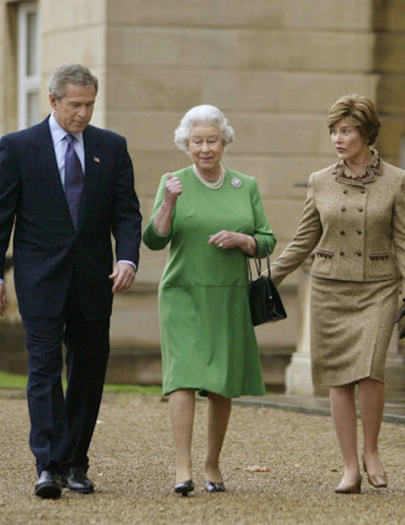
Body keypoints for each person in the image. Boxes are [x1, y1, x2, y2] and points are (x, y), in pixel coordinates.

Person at [0, 63, 142, 499]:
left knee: (88, 372)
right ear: (52, 101)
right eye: (75, 105)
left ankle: (75, 463)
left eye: (90, 104)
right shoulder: (18, 147)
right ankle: (47, 465)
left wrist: (128, 257)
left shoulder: (111, 147)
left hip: (95, 280)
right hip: (40, 280)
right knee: (46, 370)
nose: (84, 113)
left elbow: (126, 212)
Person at [269, 94, 405, 494]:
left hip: (378, 287)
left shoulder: (397, 180)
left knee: (370, 371)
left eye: (346, 131)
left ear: (366, 134)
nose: (338, 138)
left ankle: (372, 451)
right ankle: (350, 467)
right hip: (329, 288)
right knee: (338, 378)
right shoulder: (320, 181)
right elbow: (304, 238)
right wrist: (270, 277)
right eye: (334, 131)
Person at [143, 105, 275, 496]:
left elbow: (267, 240)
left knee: (221, 383)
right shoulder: (173, 182)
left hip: (228, 297)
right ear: (186, 144)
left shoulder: (245, 185)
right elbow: (154, 239)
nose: (205, 148)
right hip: (182, 293)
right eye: (197, 141)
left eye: (212, 141)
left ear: (224, 142)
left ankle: (211, 463)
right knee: (182, 378)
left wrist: (242, 240)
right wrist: (167, 202)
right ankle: (182, 468)